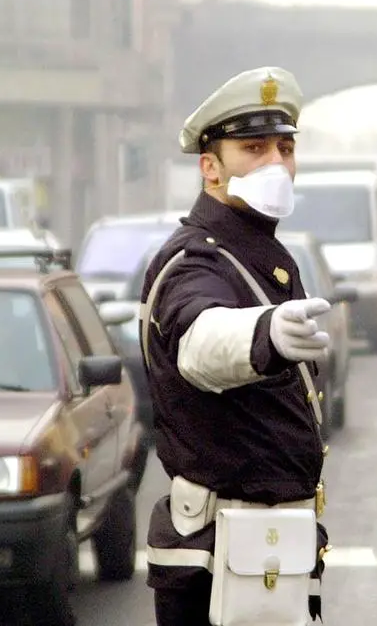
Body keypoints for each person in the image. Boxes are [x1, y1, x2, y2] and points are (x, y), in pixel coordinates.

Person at [139, 66, 331, 626]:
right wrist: (265, 334)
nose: (276, 163)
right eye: (253, 148)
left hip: (263, 548)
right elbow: (200, 343)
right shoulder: (194, 261)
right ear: (210, 167)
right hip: (219, 557)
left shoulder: (257, 251)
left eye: (285, 147)